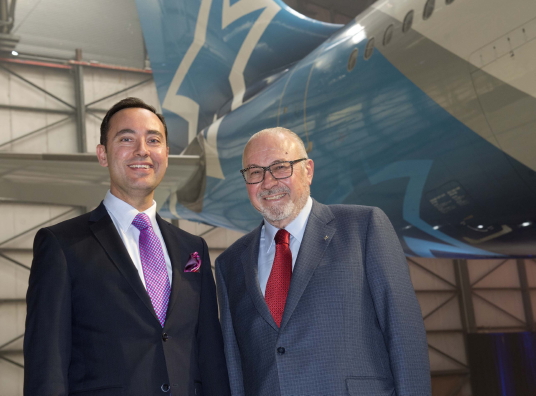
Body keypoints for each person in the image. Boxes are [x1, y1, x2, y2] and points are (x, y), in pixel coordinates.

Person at [24, 97, 230, 396]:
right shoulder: (61, 245)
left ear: (166, 154)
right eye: (126, 138)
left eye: (153, 140)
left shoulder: (192, 248)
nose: (142, 150)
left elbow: (211, 354)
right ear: (103, 154)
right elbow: (47, 364)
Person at [215, 127, 431, 396]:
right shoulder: (230, 263)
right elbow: (235, 366)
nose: (268, 182)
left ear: (308, 171)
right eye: (255, 172)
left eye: (281, 167)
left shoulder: (363, 228)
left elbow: (404, 335)